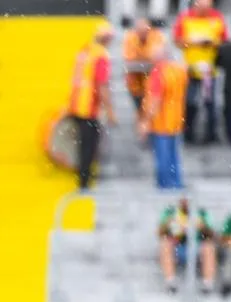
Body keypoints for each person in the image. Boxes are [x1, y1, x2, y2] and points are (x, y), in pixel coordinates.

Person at [67, 21, 117, 191]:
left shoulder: (85, 50)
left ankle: (82, 178)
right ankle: (84, 182)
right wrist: (109, 111)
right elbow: (102, 85)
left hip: (76, 105)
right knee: (89, 146)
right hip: (88, 107)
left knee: (83, 144)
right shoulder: (101, 55)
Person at [173, 0, 227, 144]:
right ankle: (188, 134)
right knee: (190, 102)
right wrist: (192, 42)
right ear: (195, 5)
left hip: (210, 69)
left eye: (208, 7)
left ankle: (211, 135)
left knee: (210, 103)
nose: (205, 11)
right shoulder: (185, 18)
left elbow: (224, 41)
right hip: (191, 68)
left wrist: (212, 43)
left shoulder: (217, 17)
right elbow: (177, 41)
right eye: (202, 7)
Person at [139, 44, 188, 189]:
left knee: (163, 155)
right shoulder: (178, 71)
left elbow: (155, 100)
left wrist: (146, 121)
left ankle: (165, 183)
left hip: (161, 120)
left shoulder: (158, 72)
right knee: (173, 154)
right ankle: (176, 182)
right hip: (176, 118)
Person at [157, 197, 217, 293]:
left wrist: (202, 227)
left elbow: (212, 234)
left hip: (197, 247)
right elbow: (160, 233)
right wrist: (170, 225)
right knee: (165, 244)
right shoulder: (171, 212)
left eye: (188, 200)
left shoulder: (201, 213)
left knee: (208, 246)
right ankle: (170, 281)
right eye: (183, 199)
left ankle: (207, 282)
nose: (185, 202)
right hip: (177, 247)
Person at [122, 19, 165, 118]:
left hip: (152, 84)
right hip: (135, 84)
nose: (142, 34)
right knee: (141, 112)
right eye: (140, 32)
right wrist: (147, 59)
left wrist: (140, 58)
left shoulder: (156, 36)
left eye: (145, 32)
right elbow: (129, 58)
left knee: (152, 112)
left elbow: (156, 57)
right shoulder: (130, 37)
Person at [215, 39, 231, 144]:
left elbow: (217, 63)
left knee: (229, 112)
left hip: (229, 87)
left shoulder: (225, 48)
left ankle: (230, 135)